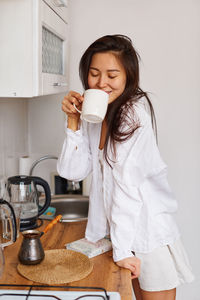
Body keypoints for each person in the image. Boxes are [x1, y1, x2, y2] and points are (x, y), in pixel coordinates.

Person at [57, 34, 194, 300]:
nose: (101, 83)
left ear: (128, 77)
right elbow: (72, 172)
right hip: (121, 232)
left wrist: (121, 251)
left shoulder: (132, 117)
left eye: (112, 75)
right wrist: (73, 122)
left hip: (146, 232)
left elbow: (127, 189)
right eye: (94, 74)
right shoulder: (95, 114)